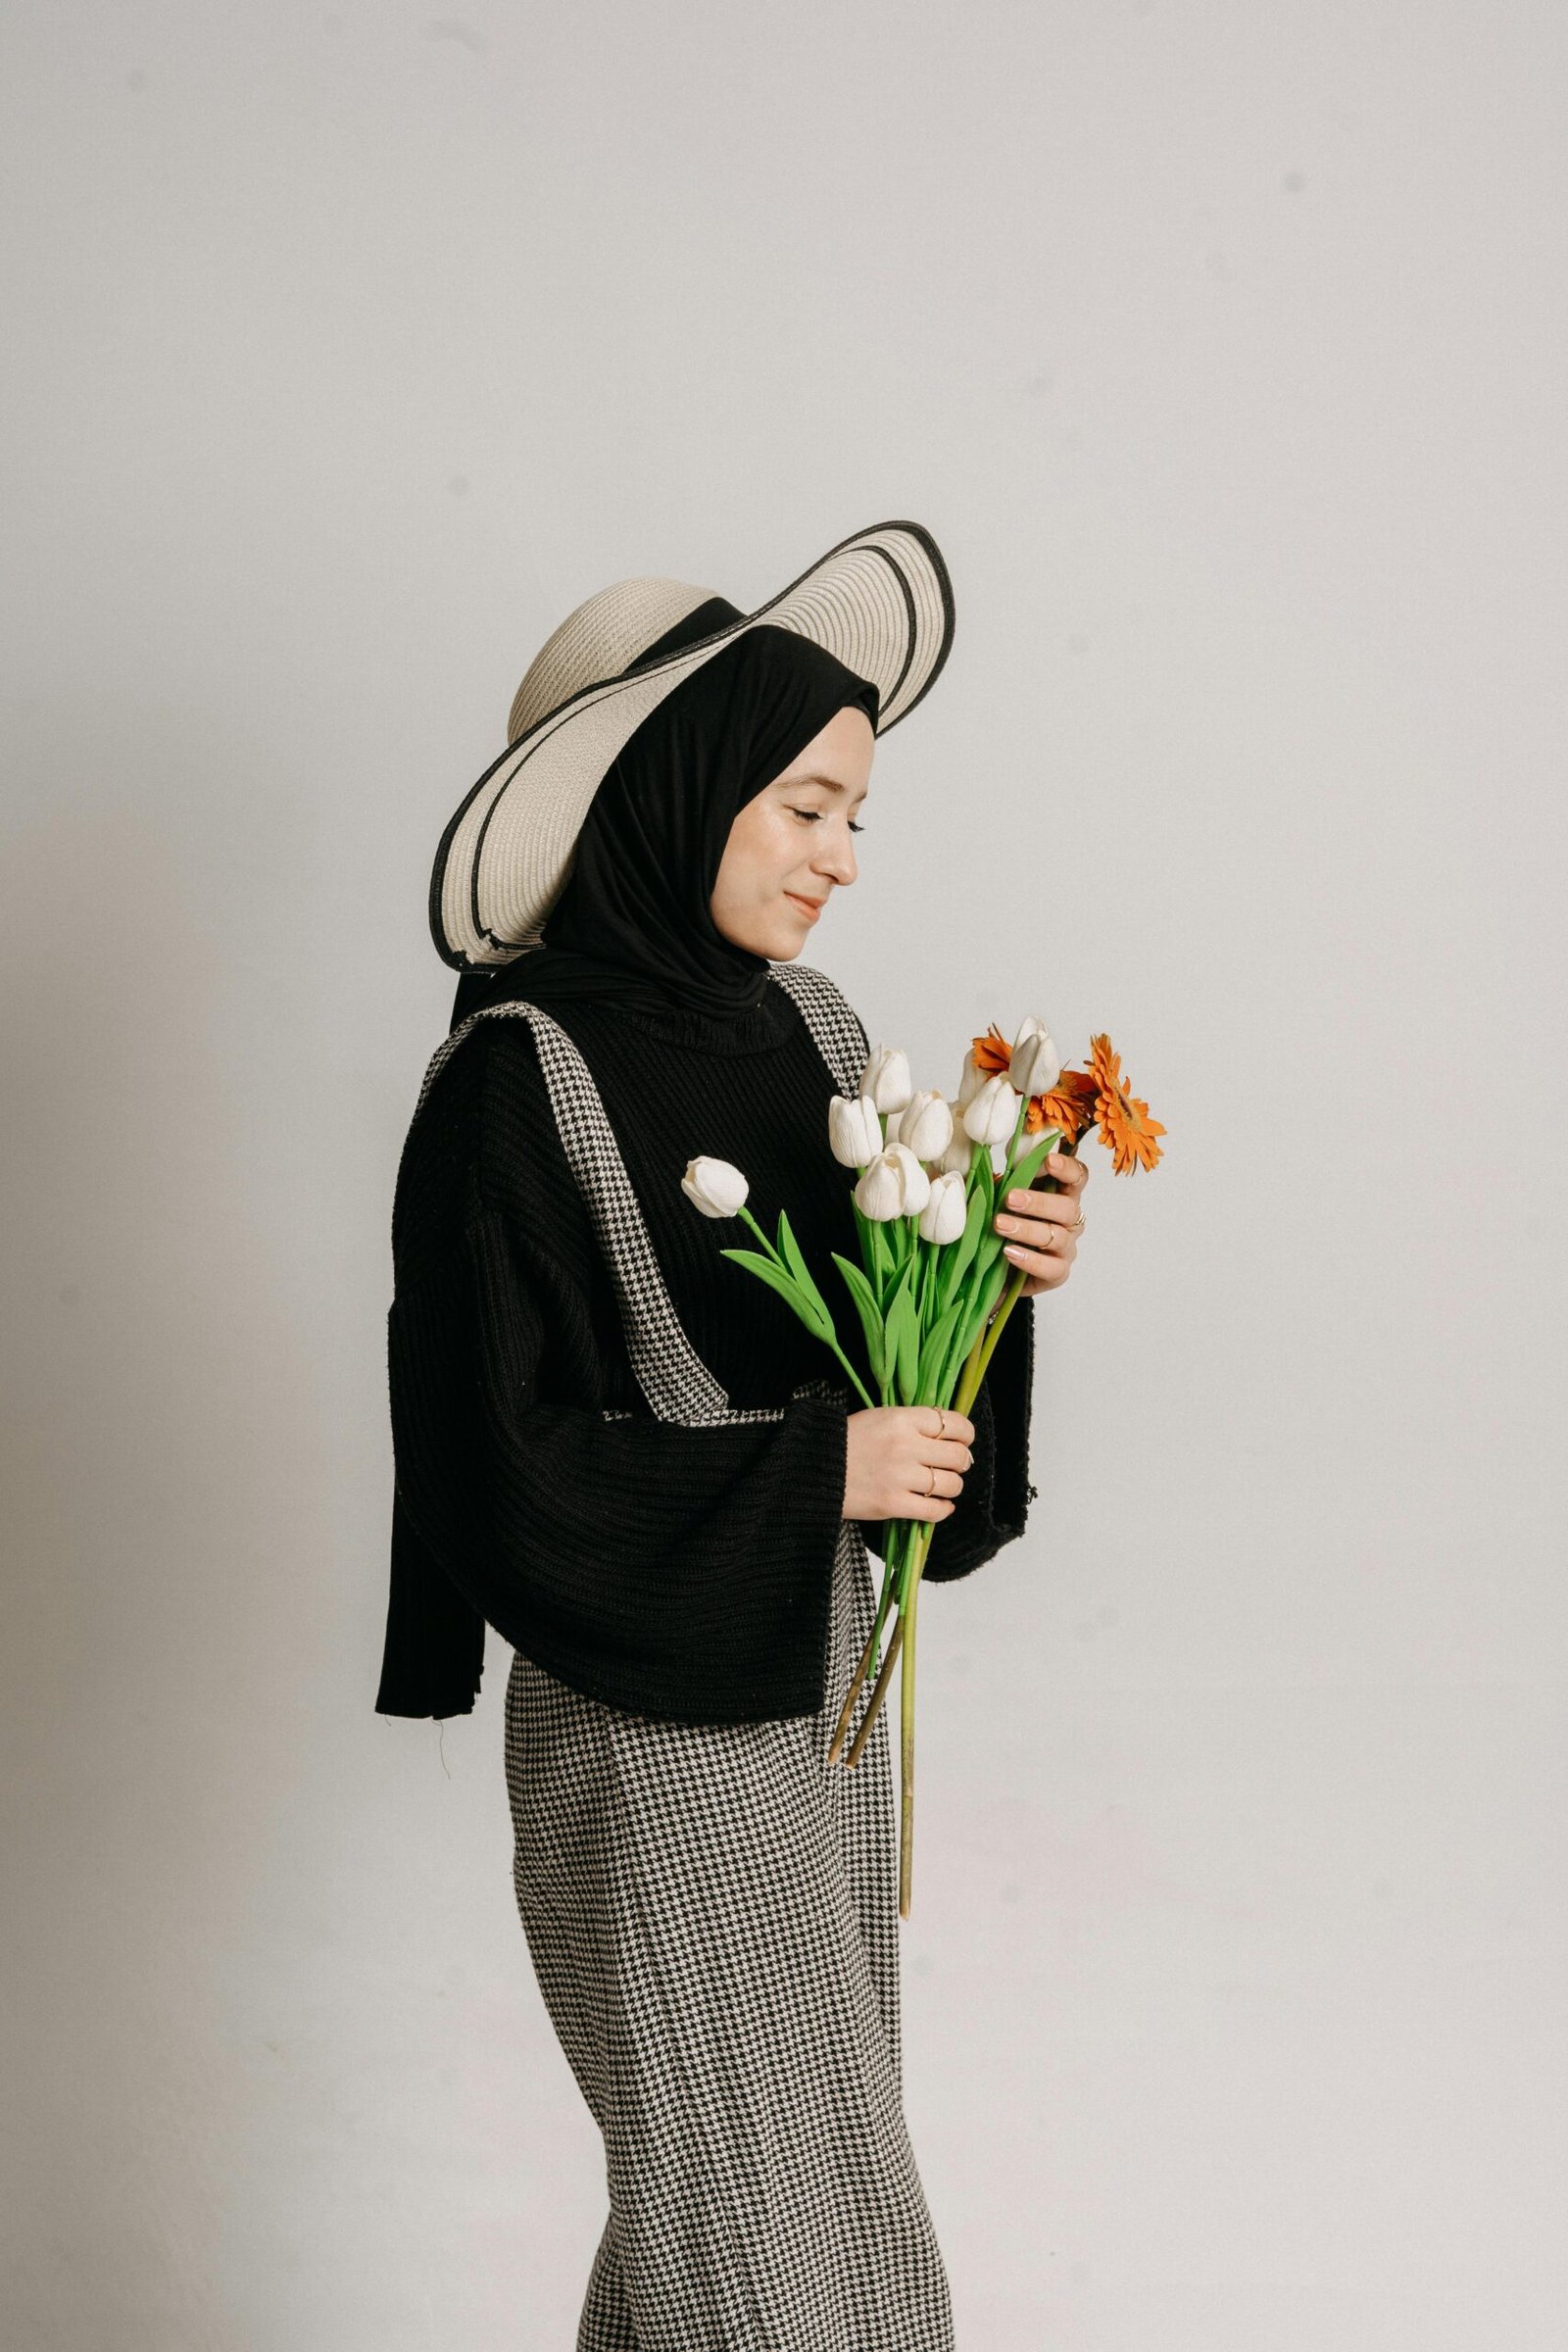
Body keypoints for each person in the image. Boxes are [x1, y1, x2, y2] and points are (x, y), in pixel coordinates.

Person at [375, 523, 1089, 2350]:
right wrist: (814, 1474)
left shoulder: (815, 1040)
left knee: (744, 2230)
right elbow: (490, 1476)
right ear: (673, 791)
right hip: (652, 1741)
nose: (843, 858)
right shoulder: (509, 1086)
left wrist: (992, 1276)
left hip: (820, 1703)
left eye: (856, 815)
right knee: (778, 2244)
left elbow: (919, 1455)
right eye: (805, 807)